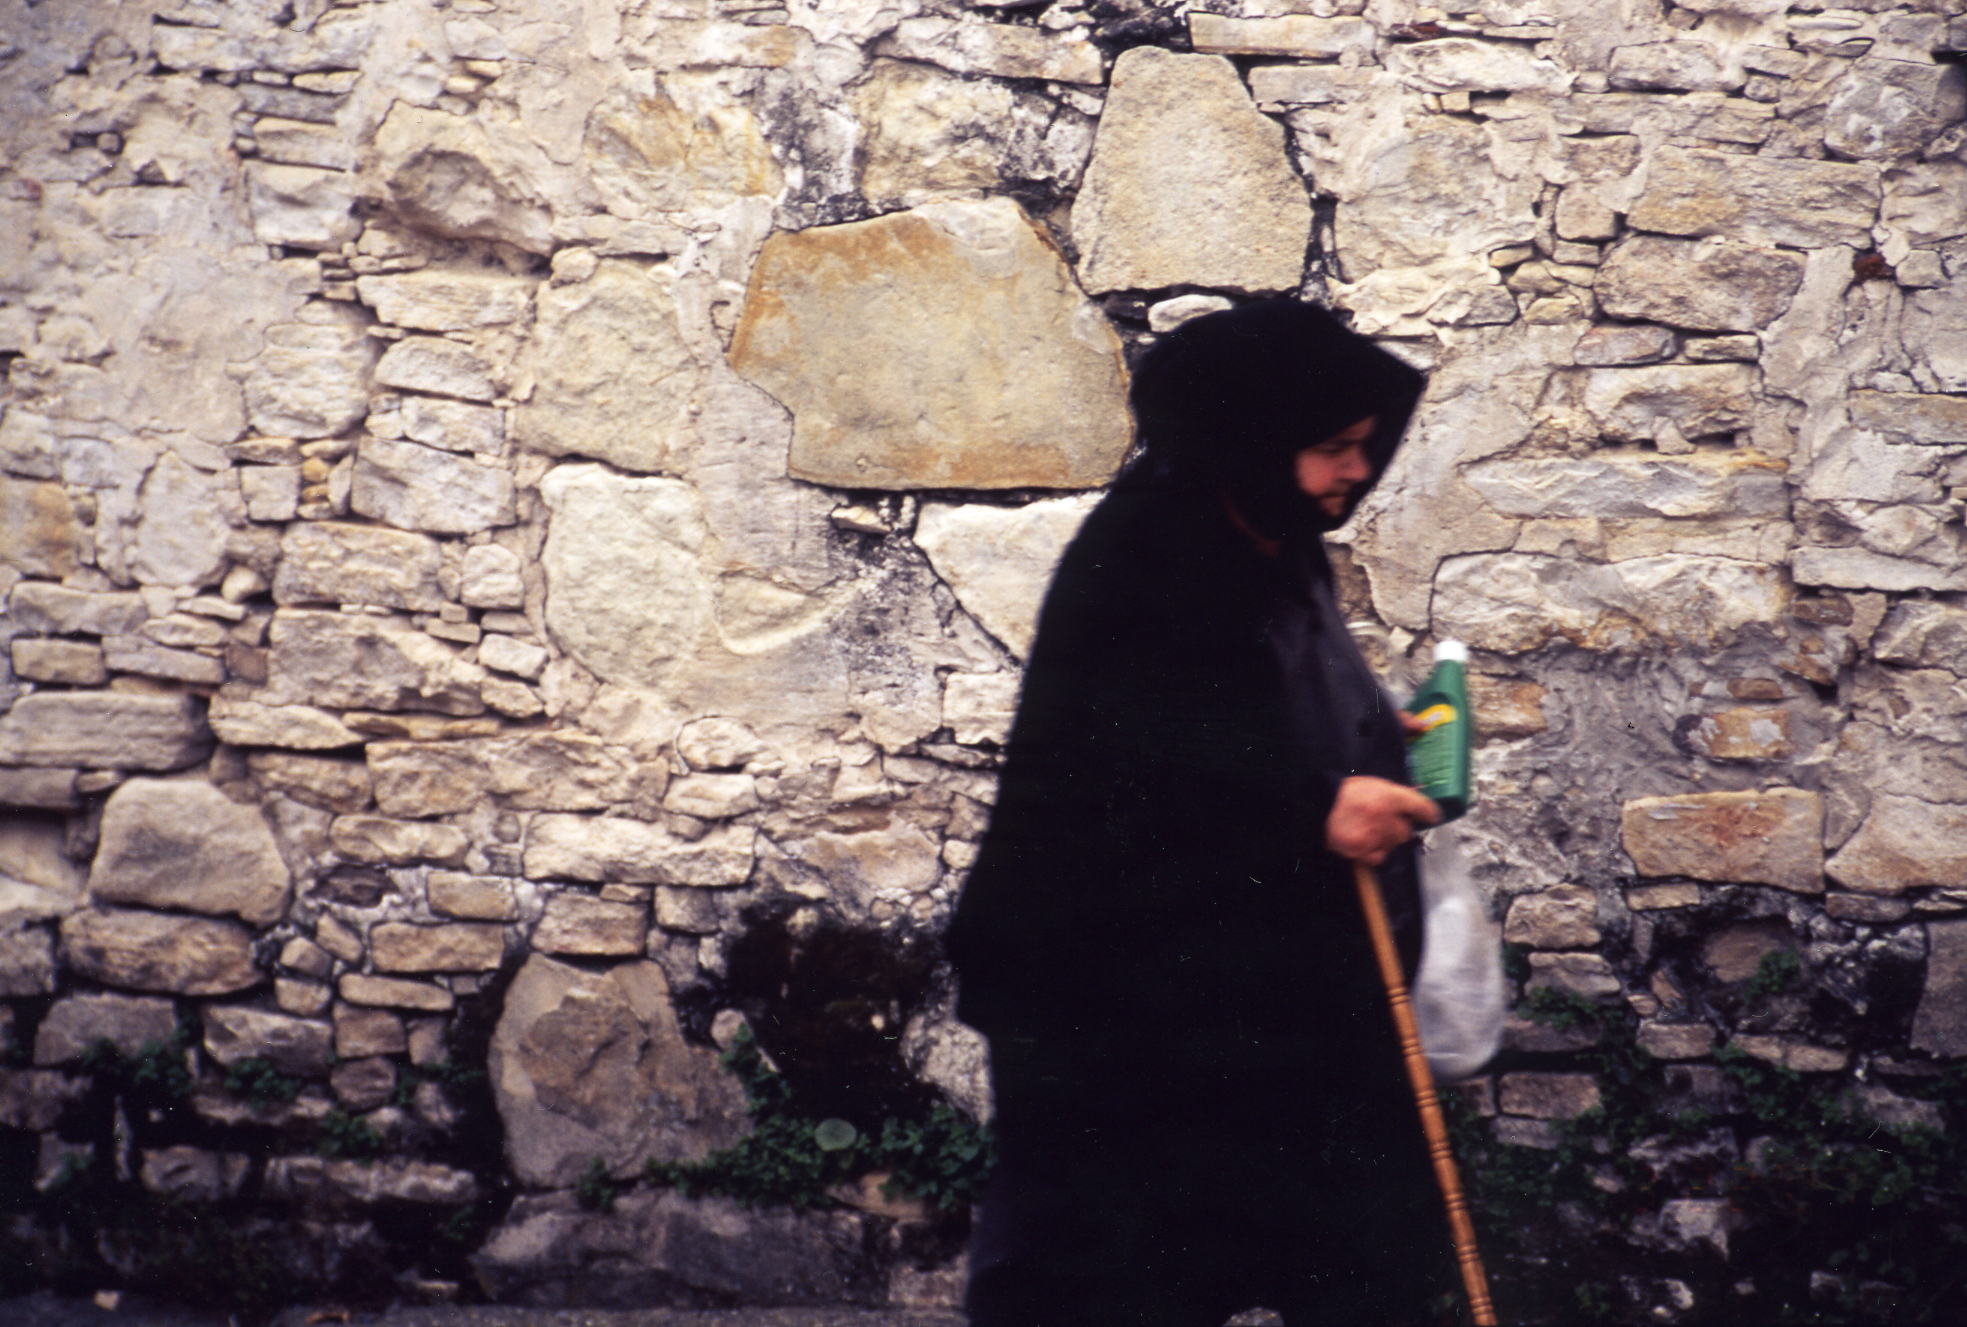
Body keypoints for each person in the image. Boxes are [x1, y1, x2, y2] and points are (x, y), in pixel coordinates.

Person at [943, 300, 1458, 1326]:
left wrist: (1362, 730)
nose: (1353, 472)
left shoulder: (1270, 531)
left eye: (1362, 446)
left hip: (1211, 970)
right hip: (1097, 985)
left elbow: (1252, 707)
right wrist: (1313, 806)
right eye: (1329, 448)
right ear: (1250, 439)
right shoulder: (1143, 563)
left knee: (1276, 1226)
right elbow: (1131, 779)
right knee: (1107, 1263)